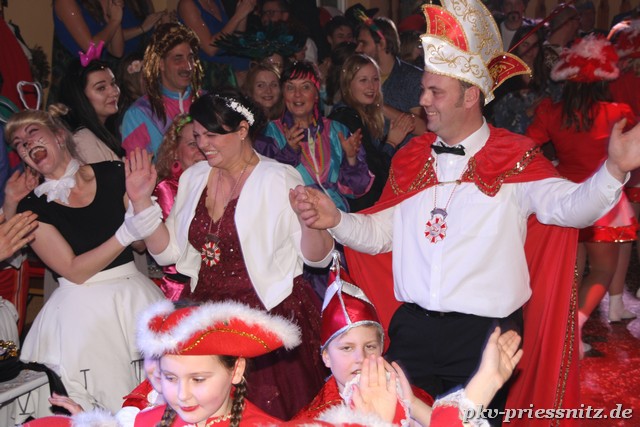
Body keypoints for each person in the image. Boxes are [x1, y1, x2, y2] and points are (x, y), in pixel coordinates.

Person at [289, 0, 640, 424]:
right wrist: (337, 221)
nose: (422, 100)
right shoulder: (411, 158)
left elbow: (572, 209)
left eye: (435, 92)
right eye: (424, 89)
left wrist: (614, 169)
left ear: (470, 96)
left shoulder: (515, 158)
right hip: (412, 331)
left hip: (486, 337)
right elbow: (381, 234)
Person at [124, 88, 334, 419]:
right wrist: (140, 202)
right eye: (197, 136)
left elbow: (317, 259)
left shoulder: (277, 178)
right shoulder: (194, 177)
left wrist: (311, 223)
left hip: (264, 314)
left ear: (242, 130)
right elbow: (167, 254)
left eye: (212, 135)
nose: (203, 145)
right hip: (204, 315)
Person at [2, 107, 165, 413]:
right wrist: (125, 232)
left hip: (133, 300)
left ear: (59, 135)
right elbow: (74, 270)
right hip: (80, 317)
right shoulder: (32, 207)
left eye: (32, 133)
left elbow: (141, 244)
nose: (26, 143)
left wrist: (140, 203)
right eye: (19, 144)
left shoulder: (114, 172)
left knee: (154, 399)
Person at [526, 35, 638, 345]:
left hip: (564, 199)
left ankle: (561, 336)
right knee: (602, 270)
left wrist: (552, 168)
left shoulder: (550, 112)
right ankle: (572, 332)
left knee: (568, 276)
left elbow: (527, 149)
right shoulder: (618, 113)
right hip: (603, 203)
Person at [293, 254, 434, 425]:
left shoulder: (412, 399)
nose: (361, 358)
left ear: (381, 350)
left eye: (370, 347)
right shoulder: (312, 420)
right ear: (326, 357)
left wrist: (412, 404)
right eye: (347, 348)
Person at [133, 300, 299, 426]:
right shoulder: (145, 422)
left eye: (198, 379)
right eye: (170, 378)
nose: (183, 395)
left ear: (237, 370)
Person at [259, 61, 372, 212]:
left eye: (305, 87)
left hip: (336, 214)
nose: (297, 94)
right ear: (283, 94)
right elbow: (266, 186)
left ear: (316, 94)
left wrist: (351, 159)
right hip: (297, 216)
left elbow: (357, 188)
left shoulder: (336, 131)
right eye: (290, 87)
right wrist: (289, 151)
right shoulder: (270, 134)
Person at [328, 54, 414, 211]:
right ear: (348, 84)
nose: (371, 86)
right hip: (353, 210)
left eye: (375, 79)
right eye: (363, 80)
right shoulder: (346, 118)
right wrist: (391, 143)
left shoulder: (361, 115)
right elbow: (373, 176)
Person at [49, 0, 167, 104]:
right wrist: (114, 21)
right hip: (76, 81)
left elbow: (117, 51)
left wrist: (116, 17)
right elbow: (91, 49)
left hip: (100, 78)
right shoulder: (65, 2)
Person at [121, 23, 203, 156]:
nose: (188, 66)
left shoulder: (208, 103)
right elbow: (138, 166)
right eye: (178, 59)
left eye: (190, 58)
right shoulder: (138, 114)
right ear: (161, 64)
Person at [152, 113, 205, 300]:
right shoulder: (167, 189)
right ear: (175, 151)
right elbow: (176, 249)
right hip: (181, 290)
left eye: (205, 142)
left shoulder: (217, 183)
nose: (201, 149)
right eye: (192, 144)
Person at [353, 13, 425, 145]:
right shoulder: (355, 76)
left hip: (404, 156)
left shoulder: (412, 77)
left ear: (382, 43)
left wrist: (378, 105)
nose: (358, 49)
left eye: (364, 43)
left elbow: (424, 128)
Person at [58, 59, 125, 164]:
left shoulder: (101, 130)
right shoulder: (82, 140)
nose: (114, 92)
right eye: (101, 88)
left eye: (113, 83)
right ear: (80, 96)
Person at [178, 0, 256, 88]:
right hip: (213, 72)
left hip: (235, 65)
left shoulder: (216, 2)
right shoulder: (188, 4)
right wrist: (238, 16)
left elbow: (235, 37)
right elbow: (210, 48)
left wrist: (243, 14)